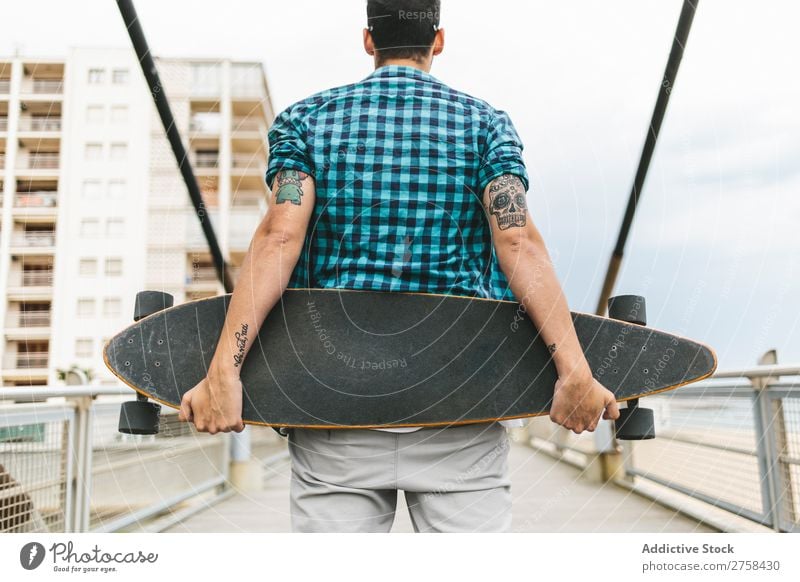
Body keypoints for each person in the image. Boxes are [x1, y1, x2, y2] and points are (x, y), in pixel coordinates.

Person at [178, 0, 620, 532]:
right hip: (459, 412)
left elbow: (279, 236)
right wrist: (575, 371)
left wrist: (223, 370)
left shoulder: (306, 121)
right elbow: (518, 241)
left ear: (369, 41)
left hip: (337, 413)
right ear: (438, 41)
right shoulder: (485, 126)